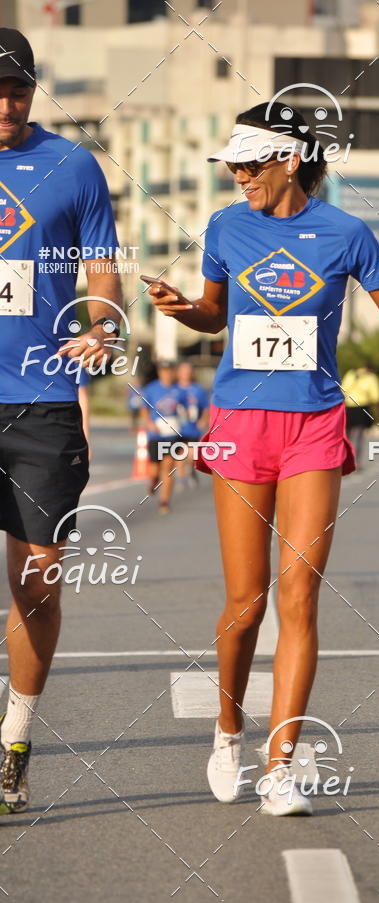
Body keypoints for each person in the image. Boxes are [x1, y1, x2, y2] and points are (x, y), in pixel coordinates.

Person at [148, 102, 379, 815]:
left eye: (249, 164)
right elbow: (216, 314)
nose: (238, 176)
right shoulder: (225, 226)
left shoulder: (346, 234)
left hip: (314, 426)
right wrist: (183, 306)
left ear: (289, 159)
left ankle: (279, 765)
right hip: (238, 424)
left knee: (298, 597)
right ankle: (227, 731)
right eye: (232, 166)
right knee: (245, 601)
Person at [0, 29, 122, 814]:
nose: (3, 104)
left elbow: (102, 270)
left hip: (41, 400)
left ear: (35, 90)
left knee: (36, 580)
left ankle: (15, 736)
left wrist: (104, 326)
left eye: (15, 90)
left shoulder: (73, 166)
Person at [140, 361, 186, 514]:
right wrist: (149, 423)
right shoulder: (152, 389)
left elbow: (186, 408)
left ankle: (164, 501)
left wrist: (186, 418)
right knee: (155, 470)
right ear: (160, 372)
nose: (166, 374)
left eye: (169, 371)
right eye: (163, 371)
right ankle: (153, 480)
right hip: (156, 434)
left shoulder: (178, 390)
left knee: (168, 467)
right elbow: (144, 408)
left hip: (172, 434)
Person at [341, 365, 379, 470]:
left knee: (347, 436)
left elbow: (343, 390)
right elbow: (376, 397)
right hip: (362, 407)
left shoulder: (351, 373)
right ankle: (356, 462)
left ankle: (343, 460)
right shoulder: (371, 377)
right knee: (359, 437)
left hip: (348, 407)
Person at [176, 360, 210, 486]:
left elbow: (206, 408)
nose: (186, 373)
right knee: (179, 453)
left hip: (192, 428)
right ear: (178, 372)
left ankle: (190, 469)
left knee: (190, 454)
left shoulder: (198, 389)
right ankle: (182, 478)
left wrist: (203, 420)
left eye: (188, 371)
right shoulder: (174, 388)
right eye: (183, 370)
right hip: (177, 428)